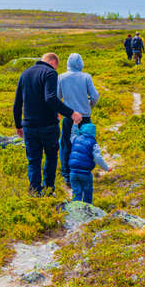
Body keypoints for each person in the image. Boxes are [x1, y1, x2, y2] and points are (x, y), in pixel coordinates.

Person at [13, 53, 82, 195]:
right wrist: (71, 113)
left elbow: (17, 103)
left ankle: (34, 192)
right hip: (48, 126)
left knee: (33, 160)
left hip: (29, 126)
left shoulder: (25, 73)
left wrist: (18, 125)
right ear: (53, 63)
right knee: (51, 158)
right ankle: (49, 190)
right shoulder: (51, 73)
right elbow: (50, 98)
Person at [58, 53, 99, 187]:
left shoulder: (61, 77)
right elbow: (95, 96)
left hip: (68, 117)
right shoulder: (86, 77)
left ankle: (67, 175)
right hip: (85, 116)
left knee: (66, 145)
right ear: (80, 63)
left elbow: (57, 99)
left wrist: (61, 111)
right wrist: (89, 104)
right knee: (87, 145)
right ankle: (85, 172)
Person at [69, 122, 111, 203]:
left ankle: (75, 210)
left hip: (73, 173)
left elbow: (73, 134)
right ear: (94, 133)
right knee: (87, 192)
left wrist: (75, 124)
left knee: (76, 192)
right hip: (85, 174)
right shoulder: (93, 144)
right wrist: (106, 168)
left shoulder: (76, 139)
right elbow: (98, 158)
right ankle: (87, 210)